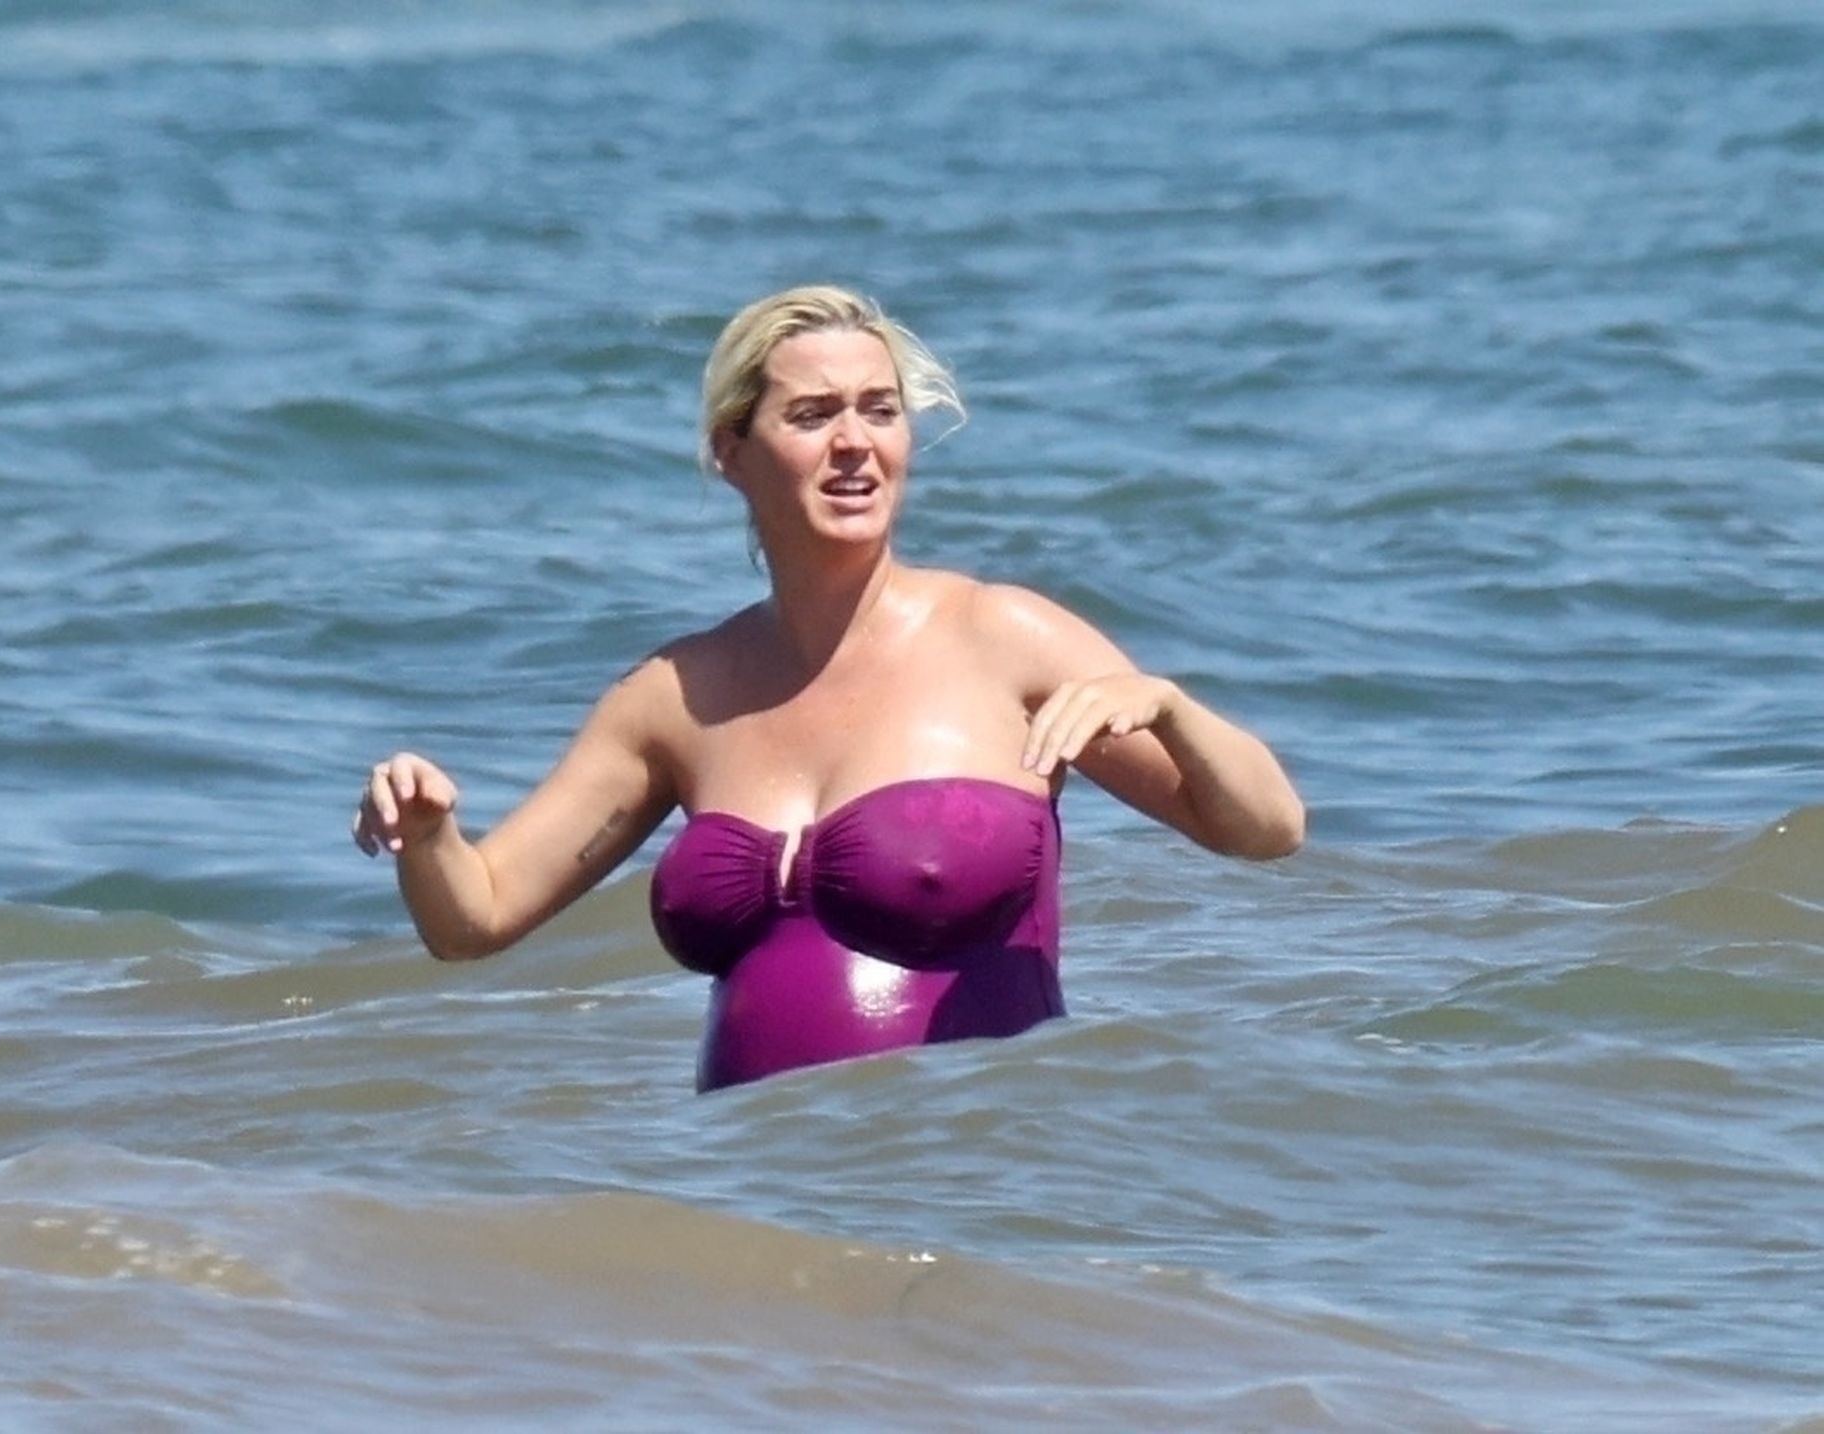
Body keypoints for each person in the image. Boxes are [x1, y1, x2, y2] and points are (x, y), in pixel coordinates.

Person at [353, 285, 1304, 1092]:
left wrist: (1172, 710)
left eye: (880, 410)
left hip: (971, 1175)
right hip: (751, 1196)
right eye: (813, 416)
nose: (855, 442)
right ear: (732, 452)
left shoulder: (1004, 639)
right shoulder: (675, 696)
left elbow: (1267, 829)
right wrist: (427, 834)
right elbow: (473, 920)